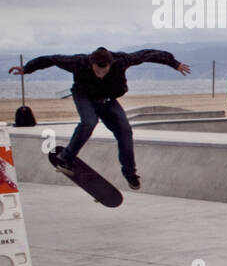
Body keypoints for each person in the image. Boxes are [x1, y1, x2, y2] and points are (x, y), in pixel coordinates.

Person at [8, 46, 191, 190]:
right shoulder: (78, 62)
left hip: (108, 100)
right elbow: (50, 59)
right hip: (84, 97)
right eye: (97, 71)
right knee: (89, 122)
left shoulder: (121, 60)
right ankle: (66, 158)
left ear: (110, 64)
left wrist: (174, 64)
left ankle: (129, 172)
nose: (100, 74)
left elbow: (149, 54)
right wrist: (27, 69)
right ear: (91, 63)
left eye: (104, 72)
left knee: (125, 131)